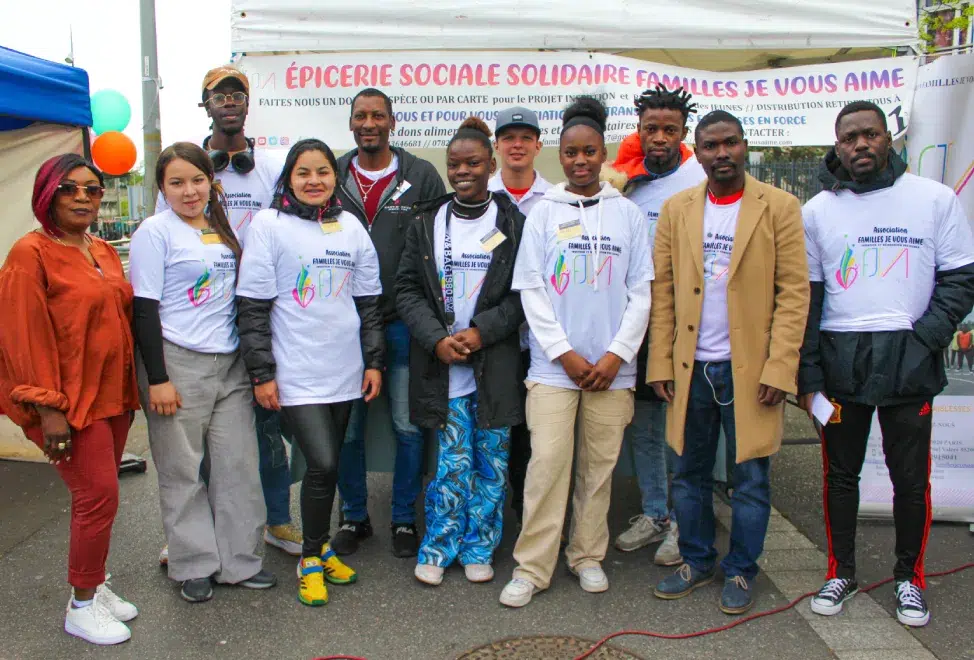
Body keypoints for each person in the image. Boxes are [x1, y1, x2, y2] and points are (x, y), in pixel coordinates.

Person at [798, 101, 974, 627]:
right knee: (840, 478)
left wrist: (924, 338)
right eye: (849, 138)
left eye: (870, 135)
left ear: (888, 138)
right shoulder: (816, 212)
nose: (860, 146)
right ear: (837, 145)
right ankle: (841, 572)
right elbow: (808, 299)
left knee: (911, 482)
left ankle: (909, 579)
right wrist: (808, 376)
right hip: (840, 364)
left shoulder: (934, 199)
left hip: (908, 362)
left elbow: (961, 278)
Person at [648, 110, 809, 615]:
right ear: (695, 153)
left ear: (744, 147)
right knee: (688, 474)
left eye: (731, 144)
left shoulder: (779, 207)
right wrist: (659, 364)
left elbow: (793, 294)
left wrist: (780, 368)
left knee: (751, 479)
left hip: (750, 370)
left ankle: (741, 569)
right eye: (711, 146)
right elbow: (663, 293)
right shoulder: (677, 209)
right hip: (690, 367)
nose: (722, 154)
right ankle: (696, 561)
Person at [500, 97, 653, 608]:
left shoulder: (628, 214)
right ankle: (532, 567)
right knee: (546, 465)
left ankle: (587, 555)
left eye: (589, 152)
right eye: (571, 153)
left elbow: (641, 292)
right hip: (553, 369)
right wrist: (564, 352)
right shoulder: (544, 213)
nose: (580, 161)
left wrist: (616, 355)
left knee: (598, 468)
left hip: (614, 371)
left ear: (602, 152)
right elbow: (531, 289)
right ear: (559, 157)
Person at [156, 64, 300, 562]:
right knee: (192, 441)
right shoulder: (187, 169)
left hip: (259, 316)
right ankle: (188, 535)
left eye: (238, 93)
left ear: (246, 103)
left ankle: (276, 520)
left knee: (264, 431)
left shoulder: (272, 167)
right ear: (207, 105)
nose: (231, 101)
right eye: (220, 95)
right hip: (202, 318)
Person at [237, 138, 384, 606]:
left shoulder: (351, 227)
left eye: (323, 172)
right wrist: (262, 374)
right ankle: (310, 558)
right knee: (321, 464)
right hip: (295, 372)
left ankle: (317, 551)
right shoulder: (269, 225)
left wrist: (374, 361)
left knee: (333, 464)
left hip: (344, 369)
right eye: (304, 173)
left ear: (334, 178)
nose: (314, 181)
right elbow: (253, 309)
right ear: (289, 178)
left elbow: (369, 305)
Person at [0, 155, 140, 645]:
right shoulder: (29, 253)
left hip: (112, 395)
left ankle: (96, 584)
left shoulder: (100, 249)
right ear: (47, 195)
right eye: (69, 189)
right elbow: (22, 334)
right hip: (67, 403)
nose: (83, 197)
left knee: (103, 497)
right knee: (96, 496)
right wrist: (47, 408)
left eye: (92, 189)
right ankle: (81, 605)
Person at [130, 142, 276, 603]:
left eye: (197, 180)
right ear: (162, 189)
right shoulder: (155, 232)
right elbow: (144, 309)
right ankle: (192, 563)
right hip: (178, 361)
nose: (189, 191)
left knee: (238, 467)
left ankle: (239, 562)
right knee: (182, 470)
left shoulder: (219, 228)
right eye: (176, 183)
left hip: (229, 364)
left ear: (210, 184)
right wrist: (157, 378)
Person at [397, 117, 526, 586]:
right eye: (454, 164)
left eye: (473, 163)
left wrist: (482, 331)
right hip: (444, 366)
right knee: (451, 464)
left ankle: (479, 546)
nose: (463, 172)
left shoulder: (513, 222)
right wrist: (437, 339)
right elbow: (407, 290)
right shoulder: (427, 221)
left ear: (491, 165)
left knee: (491, 465)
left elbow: (525, 294)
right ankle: (439, 545)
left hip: (495, 366)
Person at [332, 88, 447, 559]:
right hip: (345, 324)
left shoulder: (420, 176)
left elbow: (444, 244)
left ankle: (403, 518)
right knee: (348, 428)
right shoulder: (332, 174)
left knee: (406, 425)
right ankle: (354, 517)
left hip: (403, 323)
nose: (369, 123)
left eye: (378, 115)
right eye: (361, 115)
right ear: (352, 123)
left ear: (393, 122)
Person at [606, 85, 707, 566]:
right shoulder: (629, 180)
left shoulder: (699, 179)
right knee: (643, 427)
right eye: (651, 129)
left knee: (679, 426)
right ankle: (655, 514)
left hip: (683, 324)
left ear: (684, 133)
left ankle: (685, 524)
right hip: (637, 324)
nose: (660, 138)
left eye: (669, 129)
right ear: (639, 132)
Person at [487, 106, 551, 528]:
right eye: (509, 137)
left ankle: (527, 517)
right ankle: (492, 517)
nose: (517, 145)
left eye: (525, 137)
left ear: (538, 146)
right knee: (497, 430)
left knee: (534, 437)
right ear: (497, 146)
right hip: (493, 337)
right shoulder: (479, 196)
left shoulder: (556, 199)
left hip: (538, 340)